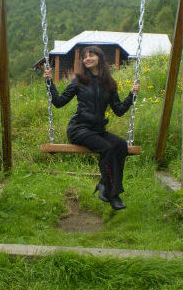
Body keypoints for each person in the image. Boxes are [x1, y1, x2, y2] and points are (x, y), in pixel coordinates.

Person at [43, 45, 140, 210]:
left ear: (99, 58)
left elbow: (119, 110)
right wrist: (49, 82)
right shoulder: (78, 81)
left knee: (120, 145)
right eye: (84, 56)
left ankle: (105, 184)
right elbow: (59, 102)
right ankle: (113, 194)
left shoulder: (109, 84)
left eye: (91, 55)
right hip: (79, 129)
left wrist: (131, 95)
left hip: (97, 131)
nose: (87, 58)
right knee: (107, 148)